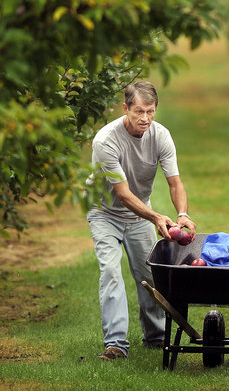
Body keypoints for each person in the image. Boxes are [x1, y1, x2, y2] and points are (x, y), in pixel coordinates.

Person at [86, 80, 196, 360]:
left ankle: (156, 336)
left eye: (150, 111)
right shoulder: (105, 141)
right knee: (111, 272)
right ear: (125, 108)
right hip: (104, 213)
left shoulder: (161, 136)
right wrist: (157, 217)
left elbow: (175, 183)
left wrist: (182, 214)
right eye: (138, 111)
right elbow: (122, 195)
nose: (144, 118)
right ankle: (116, 345)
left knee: (148, 276)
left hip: (139, 214)